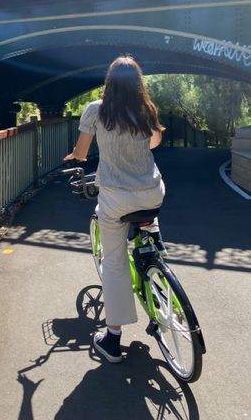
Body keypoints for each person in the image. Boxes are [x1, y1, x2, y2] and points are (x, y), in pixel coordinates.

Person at [64, 55, 165, 364]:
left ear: (109, 81)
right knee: (147, 211)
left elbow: (82, 152)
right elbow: (154, 142)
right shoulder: (145, 109)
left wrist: (76, 156)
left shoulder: (96, 110)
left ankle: (113, 338)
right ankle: (152, 243)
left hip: (116, 196)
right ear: (137, 83)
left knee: (114, 262)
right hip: (153, 191)